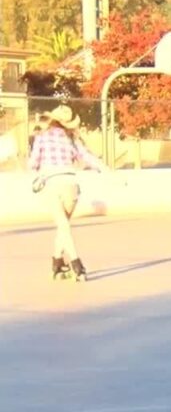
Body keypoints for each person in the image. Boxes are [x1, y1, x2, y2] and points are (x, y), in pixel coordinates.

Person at [27, 105, 112, 282]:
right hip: (70, 184)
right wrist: (105, 169)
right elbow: (87, 157)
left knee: (63, 226)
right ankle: (57, 263)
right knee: (63, 225)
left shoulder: (41, 137)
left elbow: (33, 163)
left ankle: (76, 264)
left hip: (51, 183)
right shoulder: (72, 138)